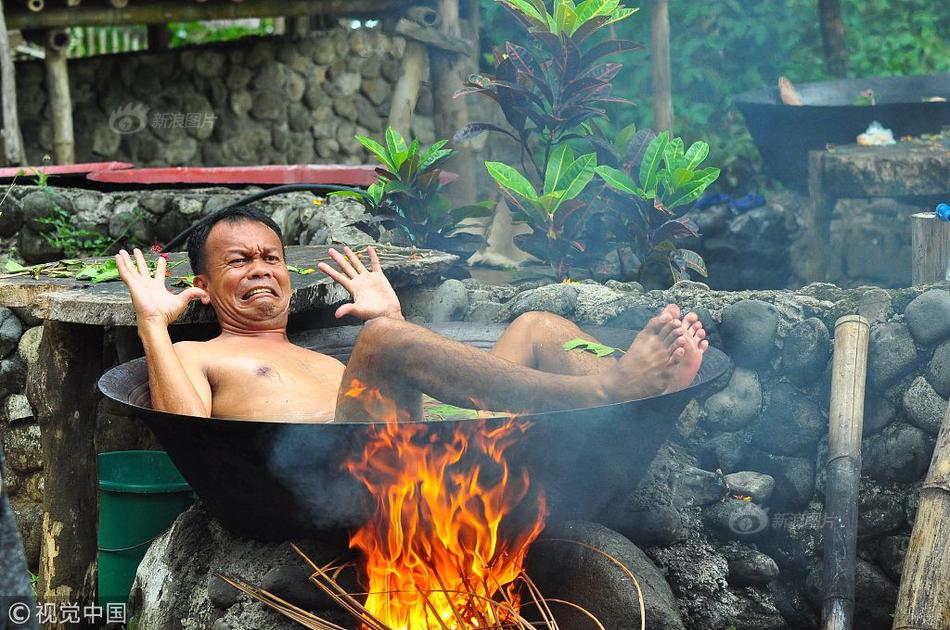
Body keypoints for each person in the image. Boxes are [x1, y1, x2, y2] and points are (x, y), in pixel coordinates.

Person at [116, 207, 708, 423]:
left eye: (271, 258)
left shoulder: (312, 355)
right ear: (204, 284)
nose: (261, 269)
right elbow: (184, 425)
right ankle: (607, 391)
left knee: (537, 325)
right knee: (379, 341)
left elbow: (408, 401)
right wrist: (153, 325)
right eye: (239, 262)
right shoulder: (197, 355)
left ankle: (641, 406)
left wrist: (395, 319)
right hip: (337, 469)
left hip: (420, 432)